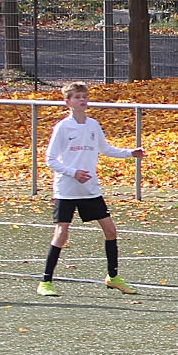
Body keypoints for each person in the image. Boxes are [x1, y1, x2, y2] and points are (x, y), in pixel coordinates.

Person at [38, 82, 143, 296]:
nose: (82, 100)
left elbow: (105, 149)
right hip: (67, 190)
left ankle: (113, 277)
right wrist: (73, 172)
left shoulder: (93, 125)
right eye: (77, 97)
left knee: (110, 230)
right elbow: (50, 159)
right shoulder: (62, 127)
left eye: (84, 96)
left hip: (90, 190)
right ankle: (45, 282)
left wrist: (129, 153)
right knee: (61, 233)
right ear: (68, 102)